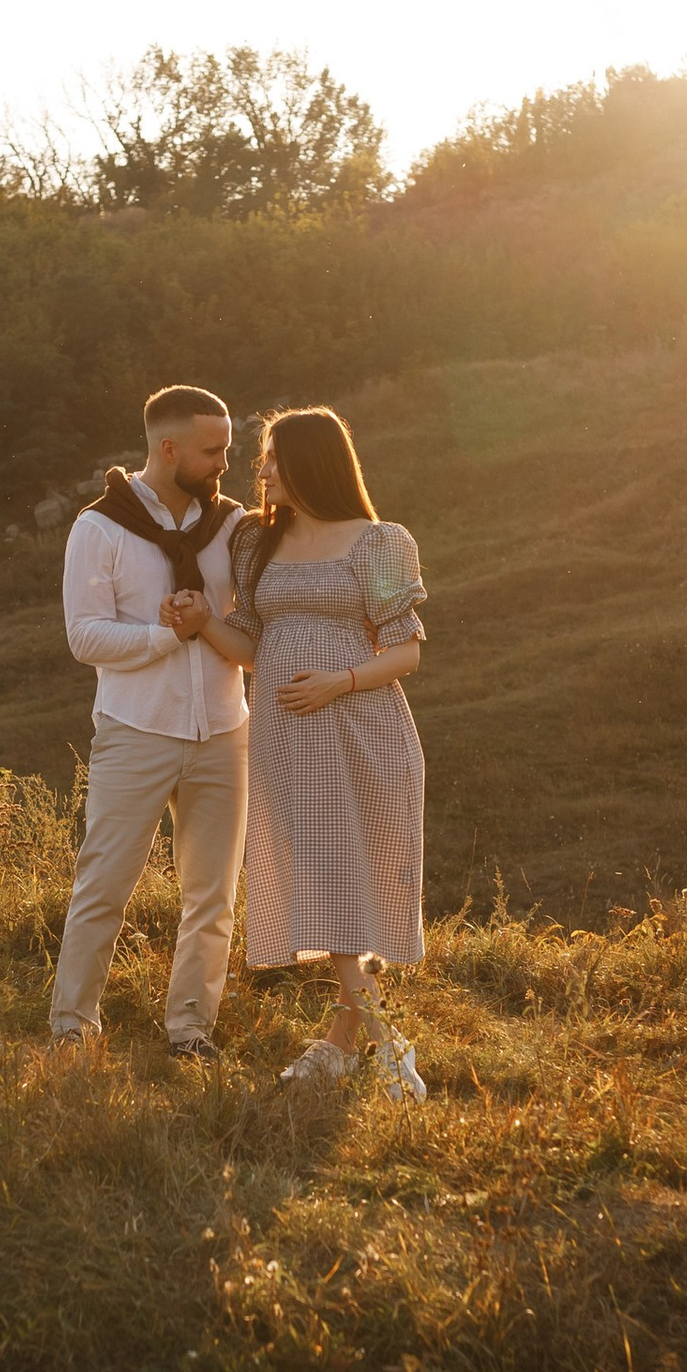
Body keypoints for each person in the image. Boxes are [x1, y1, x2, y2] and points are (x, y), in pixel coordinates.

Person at [187, 403, 428, 1102]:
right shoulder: (256, 545)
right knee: (324, 874)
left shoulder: (380, 543)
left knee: (344, 880)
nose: (259, 470)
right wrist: (204, 624)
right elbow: (252, 648)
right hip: (287, 735)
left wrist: (337, 681)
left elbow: (408, 649)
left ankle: (369, 1046)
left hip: (364, 727)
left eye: (271, 457)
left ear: (310, 463)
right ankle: (356, 1046)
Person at [47, 382, 248, 1060]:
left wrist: (208, 625)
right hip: (136, 730)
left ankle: (190, 1030)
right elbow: (86, 638)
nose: (225, 462)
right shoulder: (99, 528)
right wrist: (167, 638)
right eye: (212, 450)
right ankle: (73, 1026)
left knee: (212, 896)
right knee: (104, 884)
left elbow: (250, 621)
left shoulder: (233, 528)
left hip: (224, 730)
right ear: (168, 449)